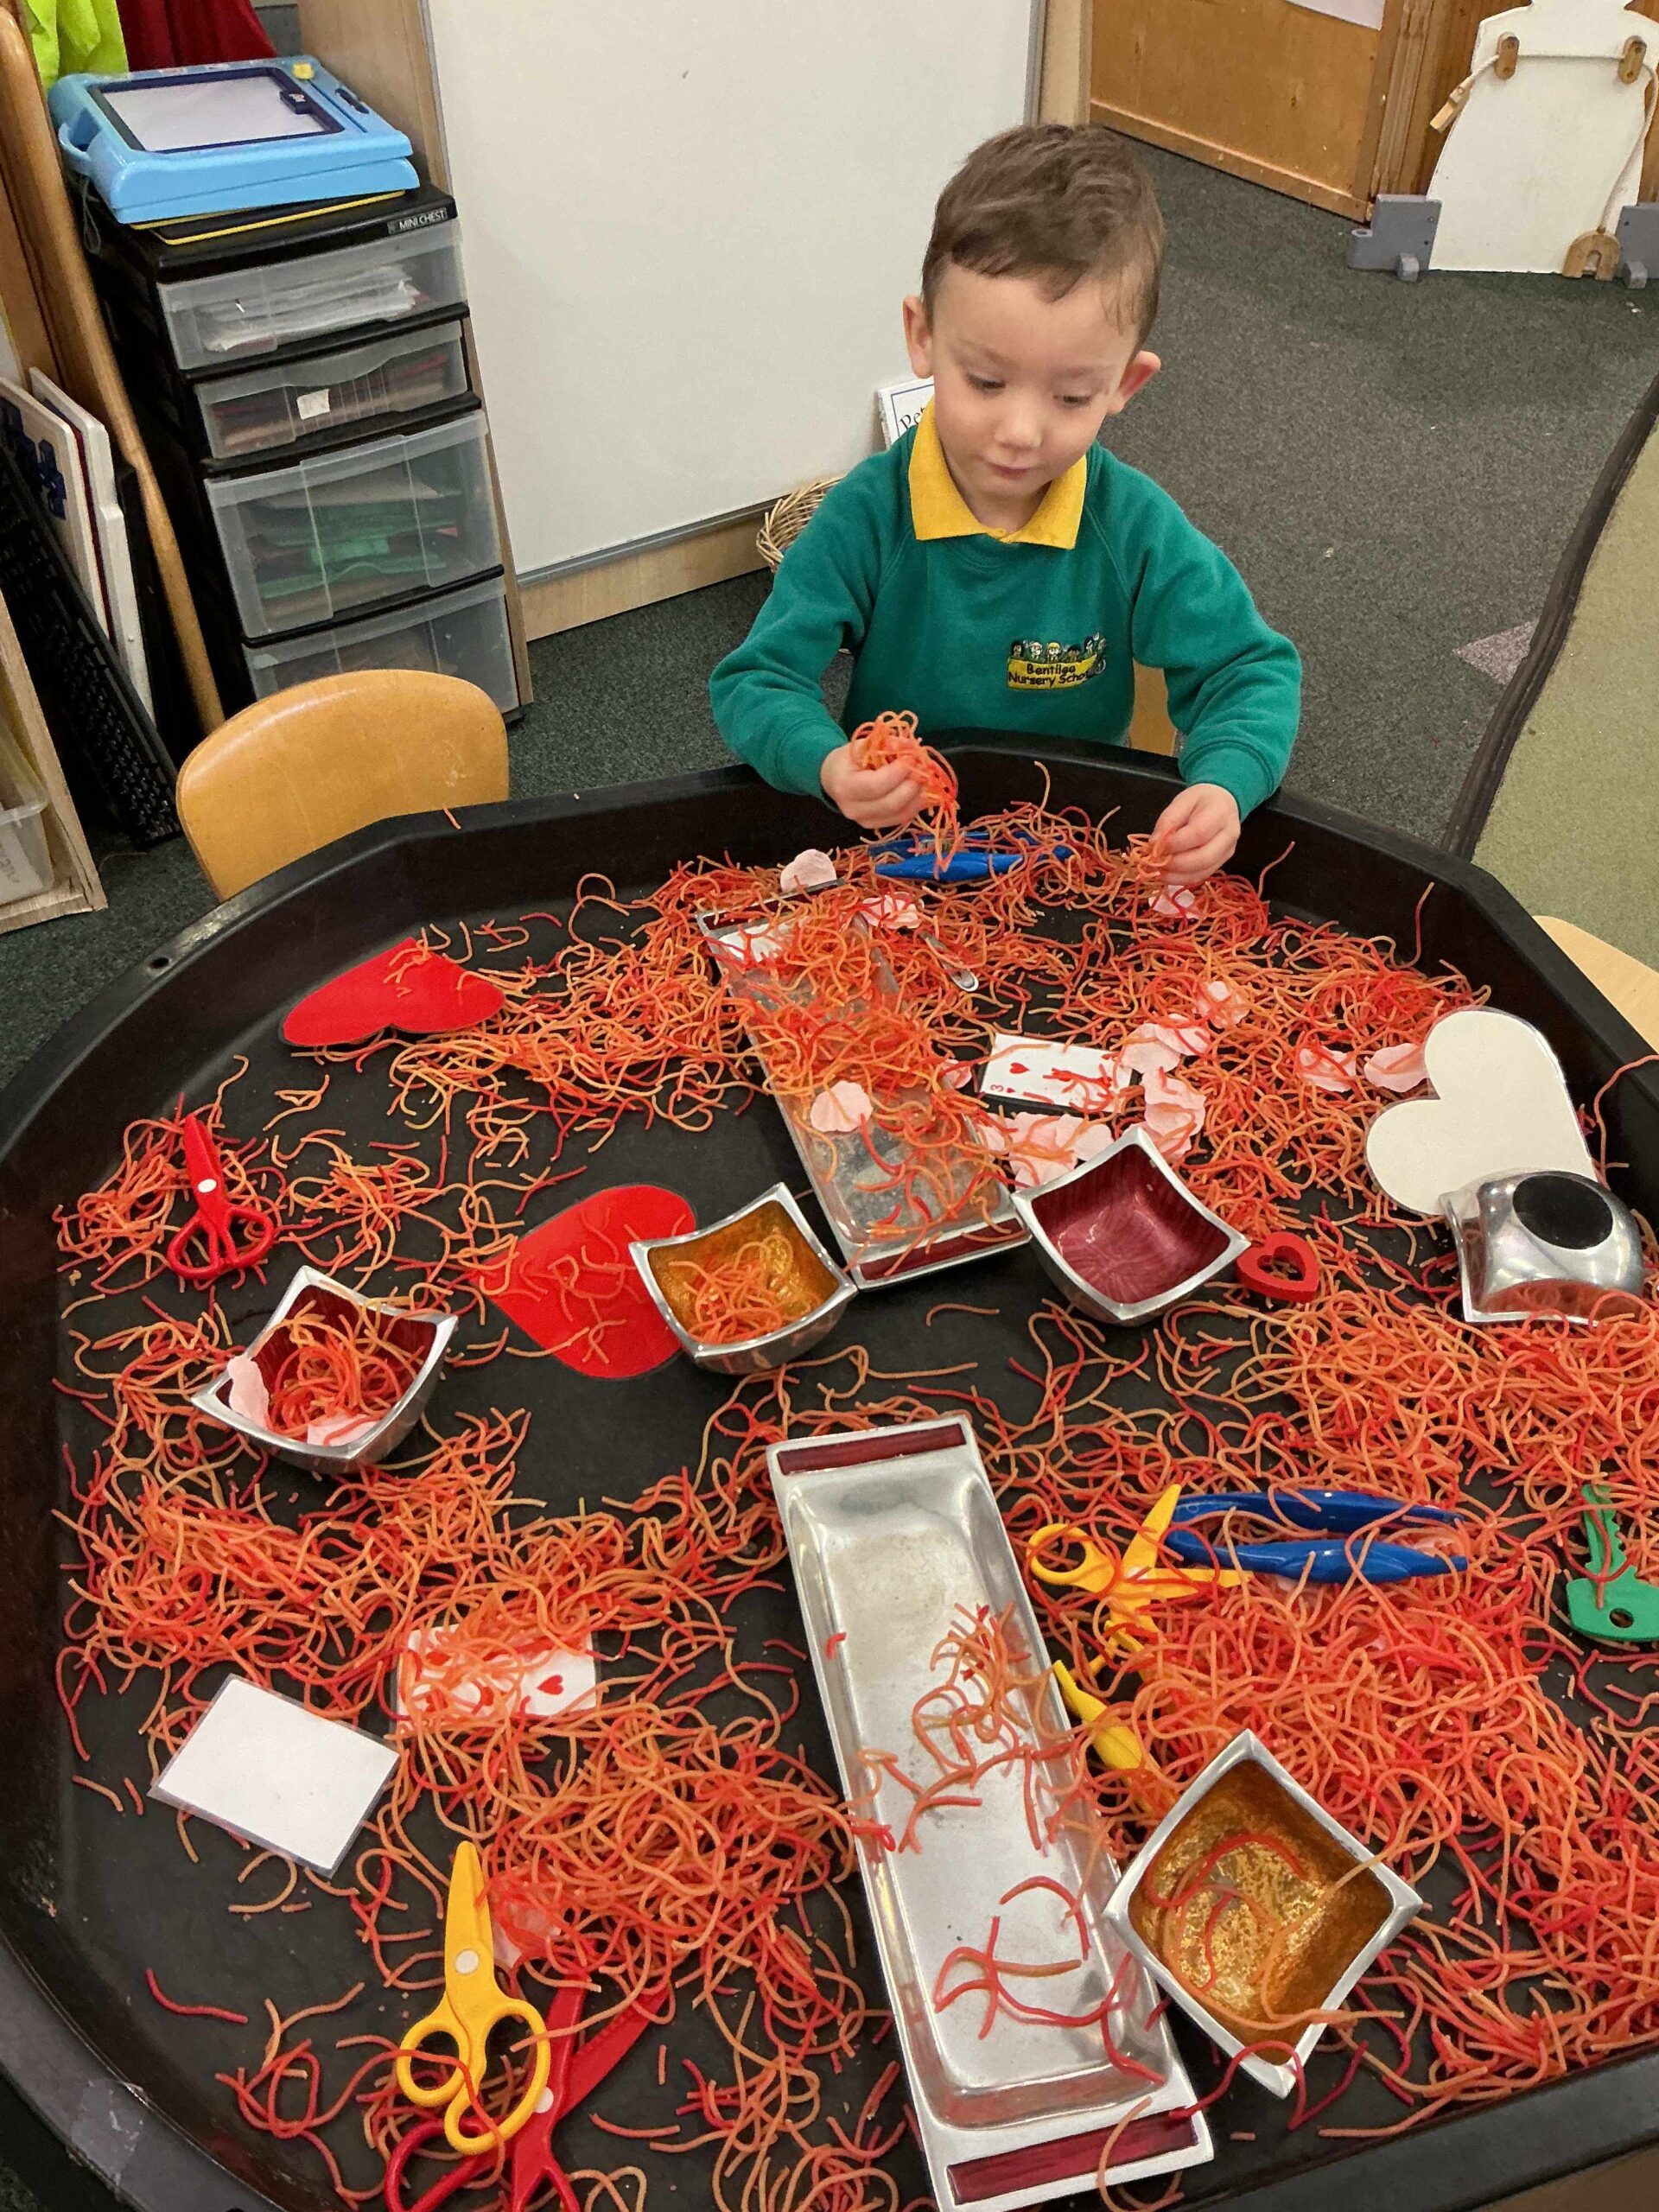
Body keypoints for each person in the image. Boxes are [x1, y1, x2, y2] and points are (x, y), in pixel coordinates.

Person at [709, 124, 1300, 887]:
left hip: (1075, 859)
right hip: (896, 854)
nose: (1020, 432)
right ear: (922, 338)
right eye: (986, 382)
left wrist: (1225, 783)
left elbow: (1248, 669)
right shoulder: (870, 514)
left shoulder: (1132, 526)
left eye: (1072, 396)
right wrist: (825, 763)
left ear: (1125, 385)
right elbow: (756, 680)